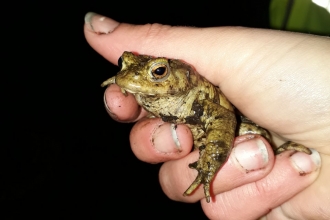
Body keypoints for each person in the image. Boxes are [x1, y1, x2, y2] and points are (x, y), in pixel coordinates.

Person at [84, 12, 330, 219]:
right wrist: (126, 81)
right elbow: (132, 76)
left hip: (243, 129)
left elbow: (223, 119)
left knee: (249, 139)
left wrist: (211, 159)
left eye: (158, 71)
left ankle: (282, 153)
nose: (130, 74)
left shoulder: (195, 97)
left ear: (179, 75)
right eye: (123, 64)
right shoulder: (142, 88)